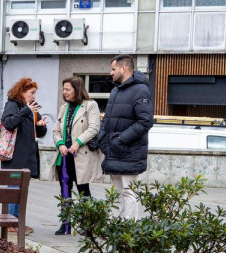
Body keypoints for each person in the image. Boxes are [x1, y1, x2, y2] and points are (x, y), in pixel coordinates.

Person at [91, 54, 154, 220]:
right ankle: (119, 230)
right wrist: (102, 140)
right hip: (114, 151)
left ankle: (129, 231)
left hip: (129, 152)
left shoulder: (141, 90)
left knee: (129, 192)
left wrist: (120, 140)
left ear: (123, 68)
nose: (111, 73)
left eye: (113, 69)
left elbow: (145, 121)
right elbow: (108, 119)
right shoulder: (115, 91)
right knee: (119, 194)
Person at [52, 76, 103, 235]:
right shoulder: (63, 107)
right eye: (64, 89)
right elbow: (56, 131)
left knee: (83, 190)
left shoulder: (90, 105)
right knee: (64, 190)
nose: (64, 92)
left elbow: (94, 128)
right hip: (64, 156)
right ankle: (65, 224)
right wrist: (60, 144)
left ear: (77, 89)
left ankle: (88, 225)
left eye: (68, 89)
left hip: (80, 155)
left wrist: (77, 143)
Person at [0, 77, 48, 235]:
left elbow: (39, 133)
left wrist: (41, 126)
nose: (33, 96)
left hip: (27, 156)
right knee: (14, 188)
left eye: (35, 93)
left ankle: (17, 222)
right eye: (31, 93)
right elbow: (8, 123)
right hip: (15, 157)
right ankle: (11, 223)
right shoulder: (12, 105)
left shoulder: (31, 108)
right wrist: (26, 110)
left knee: (21, 190)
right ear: (21, 92)